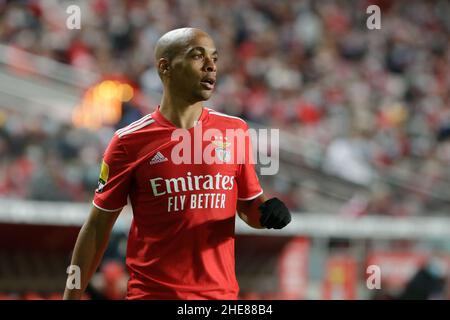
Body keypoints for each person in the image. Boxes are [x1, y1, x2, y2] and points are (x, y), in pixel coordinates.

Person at [63, 27, 291, 300]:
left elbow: (249, 208)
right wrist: (71, 296)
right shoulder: (128, 142)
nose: (211, 66)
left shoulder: (234, 131)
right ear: (165, 67)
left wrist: (267, 213)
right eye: (198, 56)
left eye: (214, 59)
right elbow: (97, 228)